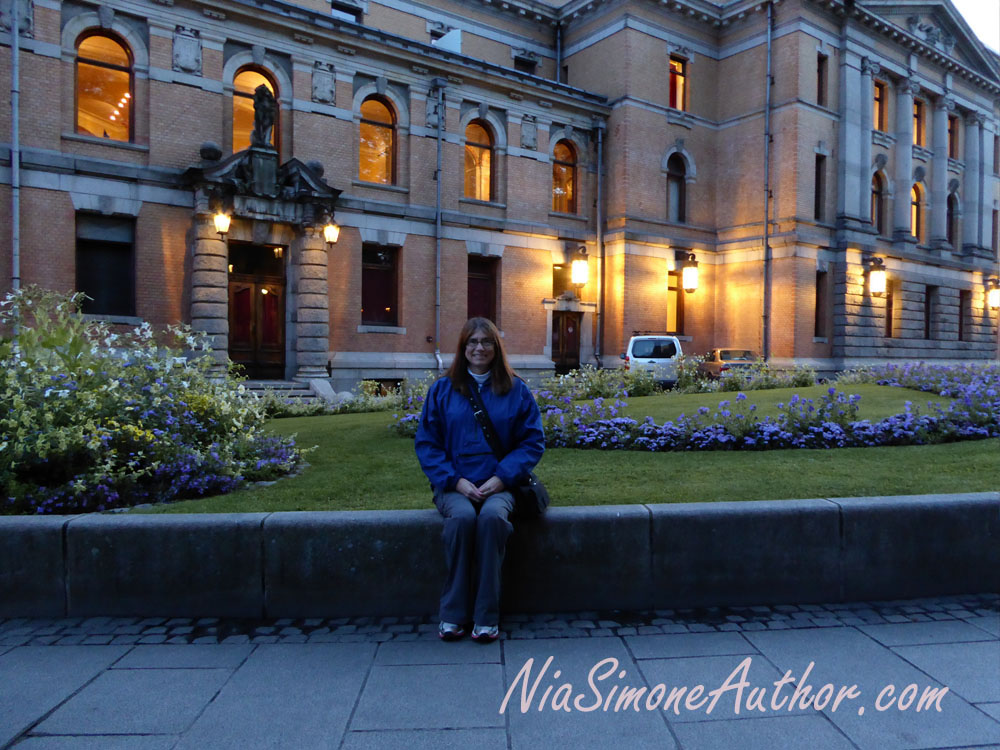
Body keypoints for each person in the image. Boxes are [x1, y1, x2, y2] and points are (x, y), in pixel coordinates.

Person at [415, 318, 545, 643]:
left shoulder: (516, 390)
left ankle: (486, 616)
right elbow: (427, 443)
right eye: (472, 342)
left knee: (491, 520)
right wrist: (454, 481)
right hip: (455, 484)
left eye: (486, 342)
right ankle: (453, 614)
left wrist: (502, 479)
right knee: (460, 519)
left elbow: (532, 441)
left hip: (500, 484)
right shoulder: (442, 390)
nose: (479, 348)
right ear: (463, 348)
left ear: (496, 348)